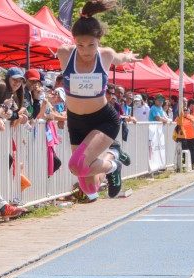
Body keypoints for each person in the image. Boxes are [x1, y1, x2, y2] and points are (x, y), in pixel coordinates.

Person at [57, 0, 139, 199]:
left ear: (99, 41)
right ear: (74, 41)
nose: (85, 50)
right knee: (89, 187)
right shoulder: (65, 54)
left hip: (103, 120)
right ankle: (113, 157)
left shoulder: (105, 56)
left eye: (91, 45)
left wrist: (128, 57)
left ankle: (113, 162)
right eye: (80, 45)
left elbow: (120, 58)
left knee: (76, 165)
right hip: (76, 122)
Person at [176, 99, 194, 169]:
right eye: (184, 110)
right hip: (184, 137)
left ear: (189, 111)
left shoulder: (192, 117)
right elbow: (175, 123)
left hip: (192, 136)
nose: (186, 111)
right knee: (184, 150)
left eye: (187, 110)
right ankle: (183, 165)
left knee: (193, 151)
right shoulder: (180, 118)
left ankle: (193, 164)